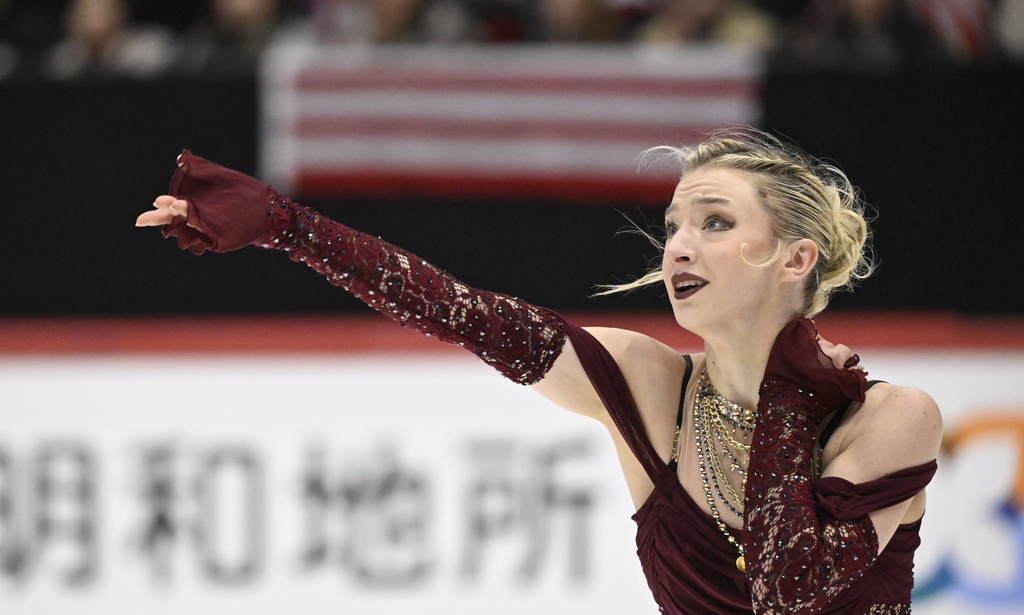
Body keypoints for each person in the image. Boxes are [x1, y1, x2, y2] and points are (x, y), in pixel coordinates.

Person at [135, 130, 941, 614]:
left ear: (796, 256)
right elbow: (459, 311)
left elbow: (786, 591)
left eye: (716, 222)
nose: (679, 246)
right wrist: (288, 225)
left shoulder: (892, 417)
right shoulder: (650, 387)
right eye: (673, 225)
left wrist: (789, 390)